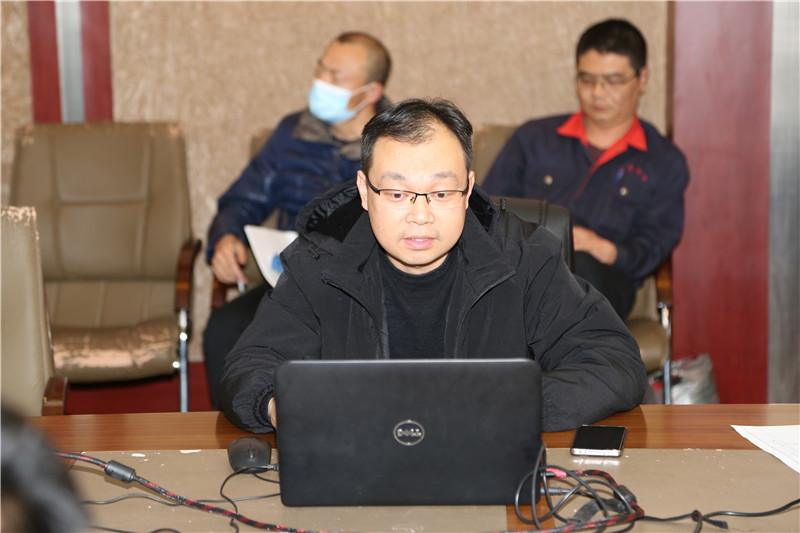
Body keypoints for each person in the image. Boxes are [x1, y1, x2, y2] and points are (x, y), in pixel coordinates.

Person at [219, 98, 647, 433]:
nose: (420, 216)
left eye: (441, 194)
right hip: (358, 473)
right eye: (397, 194)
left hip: (487, 469)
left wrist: (502, 408)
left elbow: (614, 361)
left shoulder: (523, 257)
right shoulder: (320, 262)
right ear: (364, 191)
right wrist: (282, 408)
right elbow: (250, 365)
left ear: (468, 190)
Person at [203, 32, 392, 408]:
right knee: (223, 330)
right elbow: (242, 200)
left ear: (371, 92)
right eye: (320, 70)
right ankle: (241, 426)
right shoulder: (292, 133)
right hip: (291, 283)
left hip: (370, 291)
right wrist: (226, 236)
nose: (322, 82)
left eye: (336, 77)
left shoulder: (395, 143)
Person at [482, 18, 689, 319]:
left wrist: (604, 248)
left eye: (613, 80)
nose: (598, 92)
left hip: (604, 277)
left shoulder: (663, 160)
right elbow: (487, 210)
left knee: (579, 271)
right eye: (587, 79)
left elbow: (654, 244)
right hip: (524, 265)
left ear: (642, 78)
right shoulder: (534, 139)